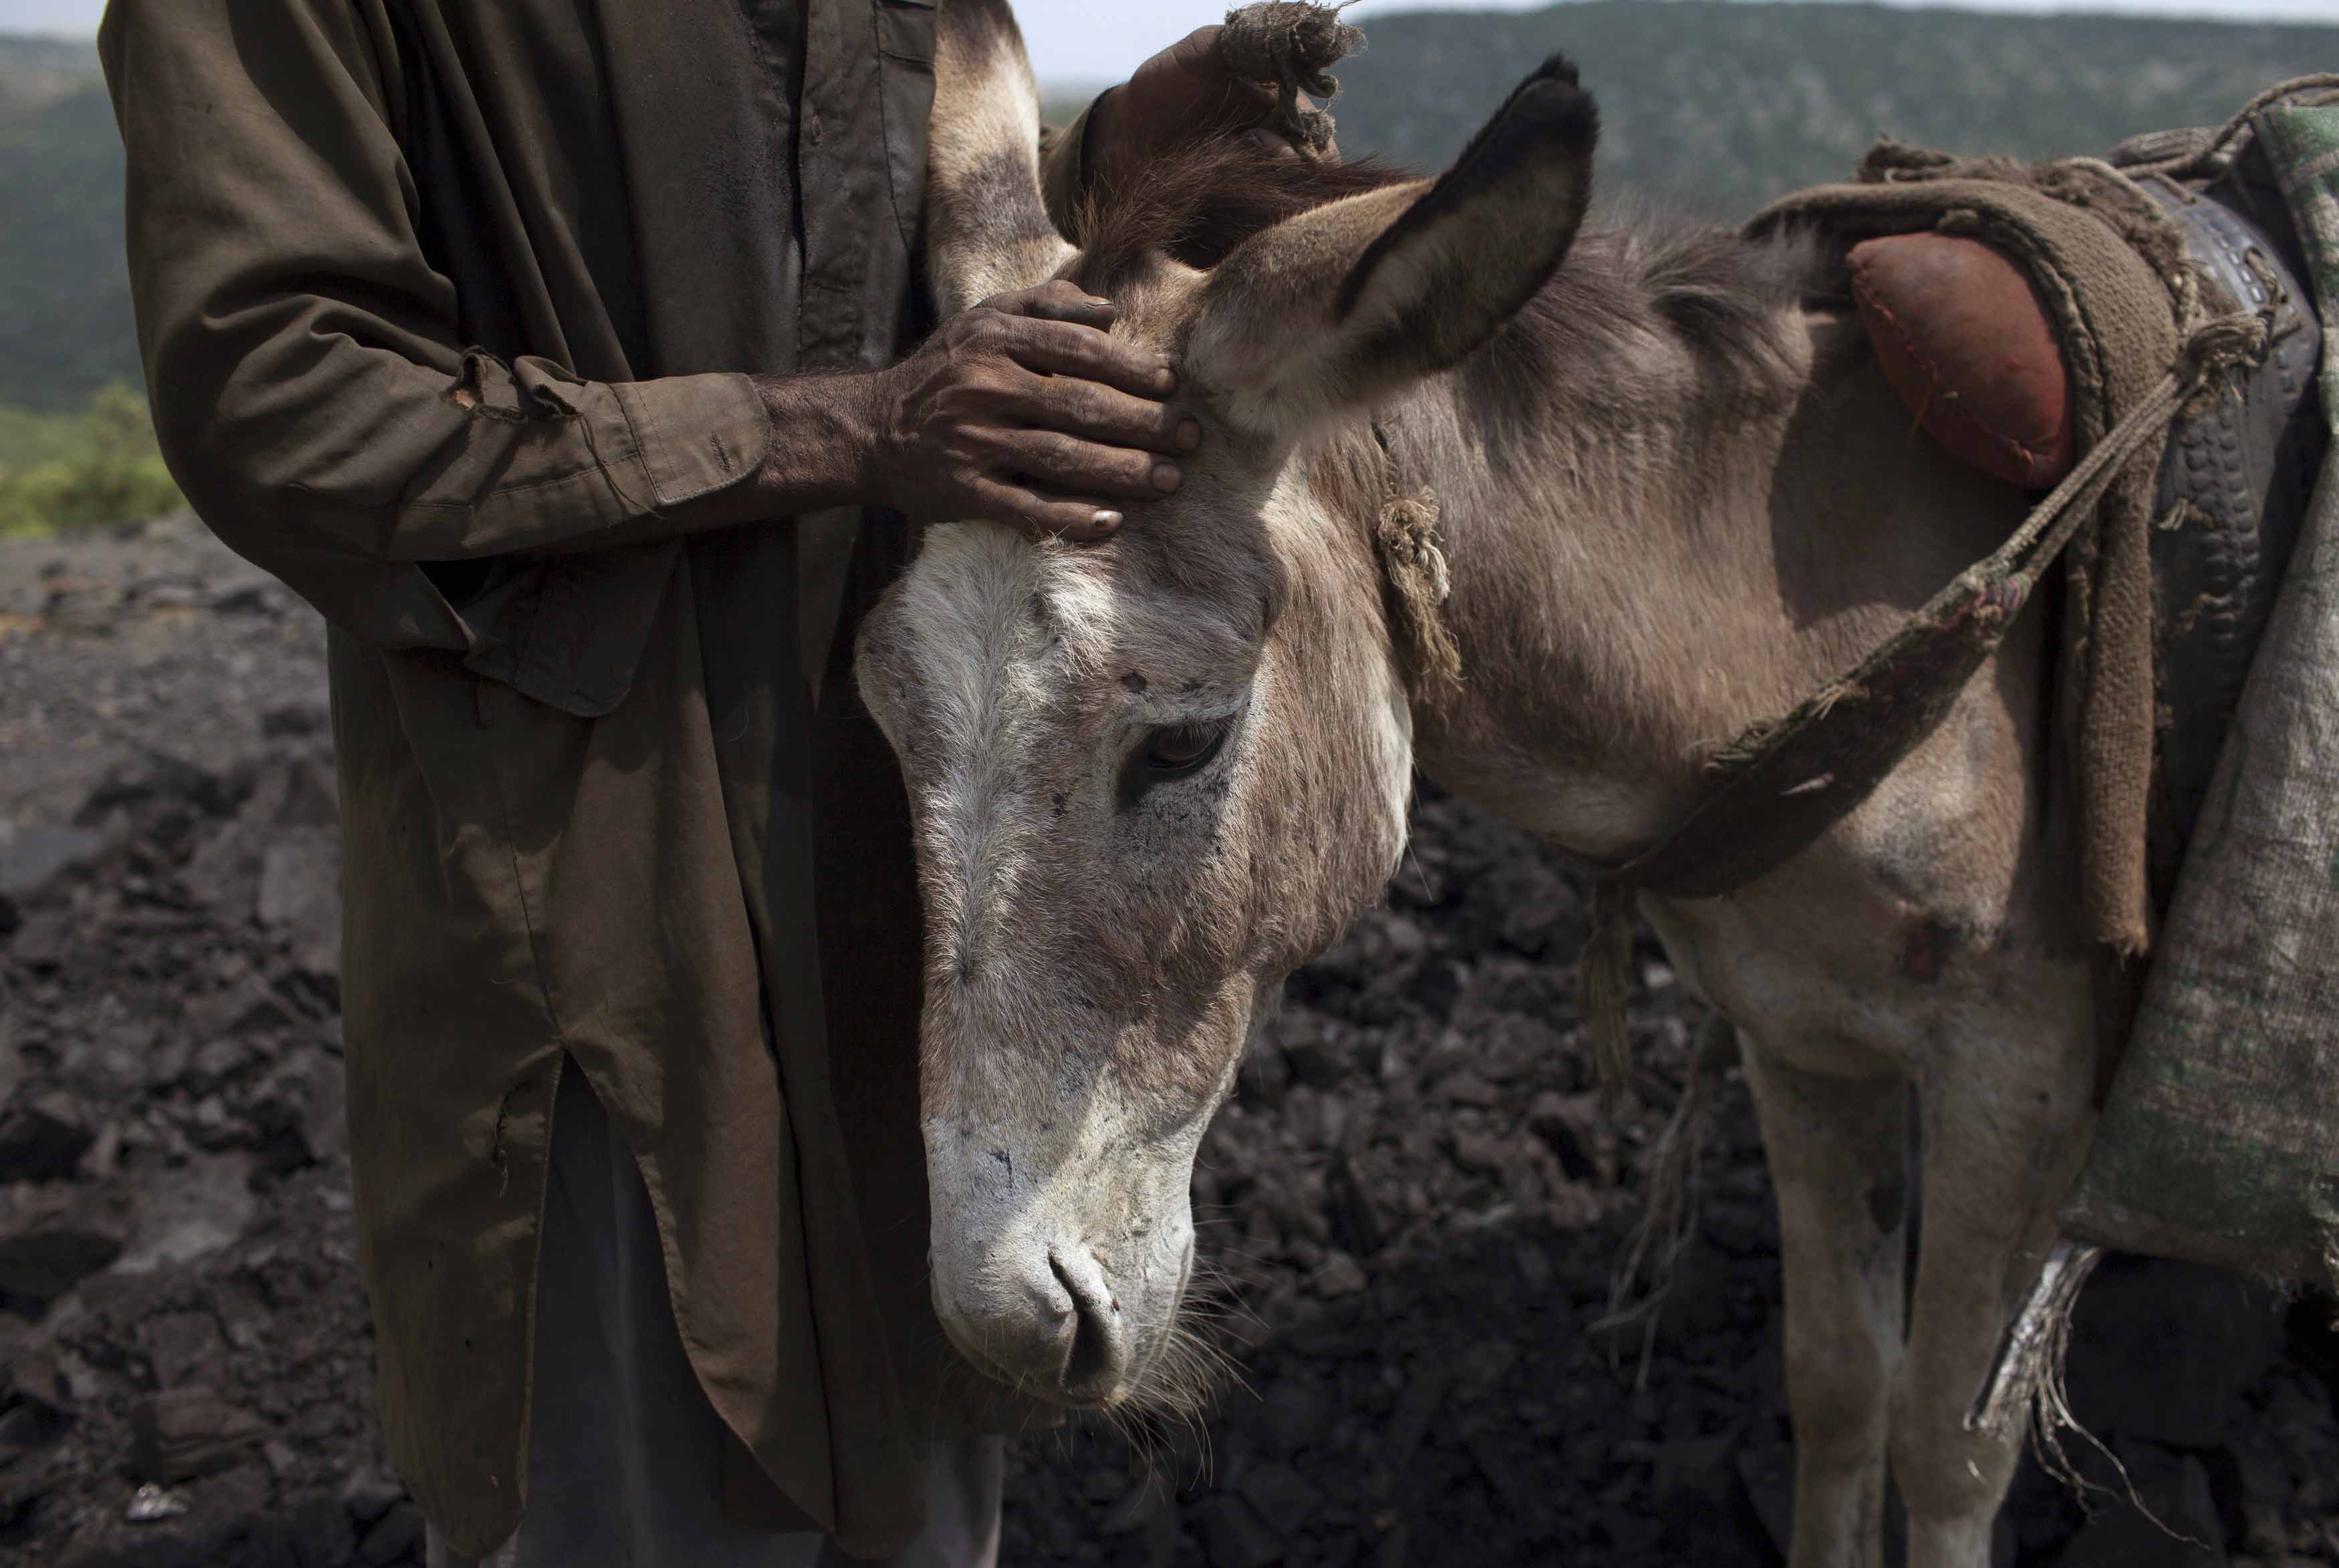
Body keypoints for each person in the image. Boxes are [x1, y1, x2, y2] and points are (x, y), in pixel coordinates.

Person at [97, 5, 1305, 1564]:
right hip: (598, 885)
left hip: (908, 906)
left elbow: (852, 271)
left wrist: (1109, 166)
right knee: (649, 1482)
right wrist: (840, 431)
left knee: (919, 1489)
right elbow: (279, 399)